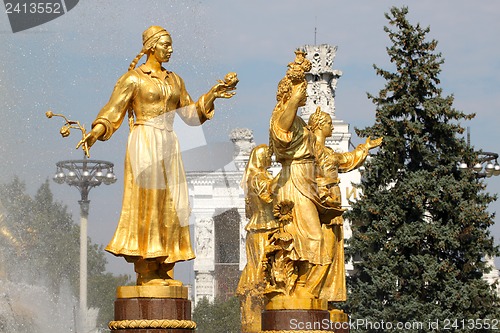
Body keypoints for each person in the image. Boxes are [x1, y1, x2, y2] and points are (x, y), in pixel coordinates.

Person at [78, 25, 237, 286]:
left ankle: (164, 267)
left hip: (169, 143)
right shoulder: (134, 78)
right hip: (145, 139)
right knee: (149, 201)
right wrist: (95, 132)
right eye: (166, 45)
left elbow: (190, 116)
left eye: (171, 45)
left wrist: (213, 94)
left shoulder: (175, 80)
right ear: (151, 46)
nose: (171, 50)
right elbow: (113, 110)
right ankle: (147, 268)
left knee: (173, 203)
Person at [269, 50, 338, 298]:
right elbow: (280, 132)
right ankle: (299, 289)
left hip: (306, 181)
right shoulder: (283, 117)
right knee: (310, 237)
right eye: (302, 92)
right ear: (291, 93)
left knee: (310, 237)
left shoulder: (301, 123)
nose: (306, 95)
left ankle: (302, 289)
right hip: (294, 181)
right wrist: (292, 103)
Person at [308, 106, 382, 301]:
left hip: (332, 204)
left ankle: (319, 294)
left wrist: (364, 148)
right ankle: (309, 292)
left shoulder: (328, 152)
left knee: (330, 250)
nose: (332, 128)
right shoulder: (308, 151)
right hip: (320, 205)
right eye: (329, 124)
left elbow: (346, 160)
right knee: (322, 250)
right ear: (320, 125)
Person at [236, 144, 277, 333]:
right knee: (261, 270)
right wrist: (287, 175)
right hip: (263, 230)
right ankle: (257, 316)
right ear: (261, 158)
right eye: (268, 155)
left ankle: (256, 314)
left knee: (259, 269)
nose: (271, 158)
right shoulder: (258, 177)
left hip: (259, 230)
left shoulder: (252, 177)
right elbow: (268, 195)